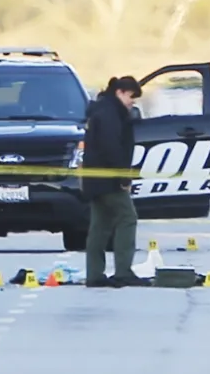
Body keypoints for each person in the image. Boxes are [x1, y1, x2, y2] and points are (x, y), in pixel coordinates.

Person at [82, 76, 151, 288]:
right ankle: (123, 271)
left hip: (95, 179)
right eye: (131, 97)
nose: (133, 102)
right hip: (108, 178)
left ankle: (94, 274)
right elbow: (111, 147)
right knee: (127, 218)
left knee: (100, 225)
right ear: (120, 92)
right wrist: (123, 176)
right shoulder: (110, 114)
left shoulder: (102, 110)